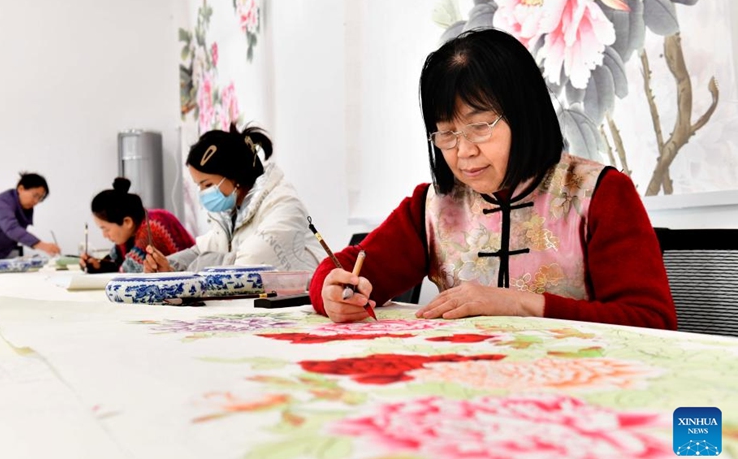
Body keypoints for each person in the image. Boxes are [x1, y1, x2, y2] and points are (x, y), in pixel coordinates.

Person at [310, 28, 677, 330]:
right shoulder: (436, 207)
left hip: (580, 393)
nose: (463, 151)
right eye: (446, 133)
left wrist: (519, 304)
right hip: (467, 392)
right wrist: (330, 290)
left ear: (524, 116)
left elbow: (652, 322)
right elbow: (345, 268)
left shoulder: (600, 195)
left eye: (479, 127)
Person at [144, 123, 325, 273]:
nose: (203, 193)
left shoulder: (283, 204)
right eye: (199, 185)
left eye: (207, 185)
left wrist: (179, 274)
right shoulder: (230, 213)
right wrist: (164, 266)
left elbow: (251, 264)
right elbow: (200, 250)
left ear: (235, 176)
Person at [81, 177, 195, 273]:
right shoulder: (133, 228)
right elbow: (115, 262)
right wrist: (96, 265)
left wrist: (101, 266)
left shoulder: (153, 227)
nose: (104, 235)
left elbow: (128, 272)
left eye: (105, 229)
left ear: (127, 222)